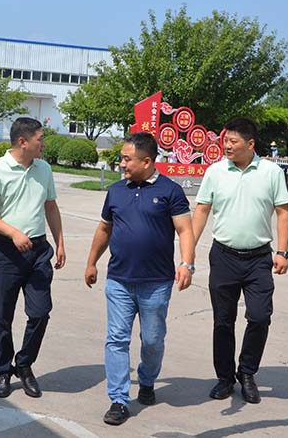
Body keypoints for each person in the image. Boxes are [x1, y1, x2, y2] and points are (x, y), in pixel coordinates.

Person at [84, 132, 195, 425]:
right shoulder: (116, 191)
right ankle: (118, 400)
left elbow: (185, 230)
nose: (121, 163)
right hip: (119, 280)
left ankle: (147, 379)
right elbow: (104, 229)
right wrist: (92, 262)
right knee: (117, 339)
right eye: (122, 158)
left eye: (127, 159)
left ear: (147, 161)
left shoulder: (170, 191)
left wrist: (187, 264)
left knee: (153, 340)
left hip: (156, 282)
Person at [192, 117, 288, 405]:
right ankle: (224, 378)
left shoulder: (271, 172)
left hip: (259, 259)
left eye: (233, 141)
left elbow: (283, 212)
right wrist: (188, 251)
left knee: (259, 317)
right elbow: (202, 210)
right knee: (223, 321)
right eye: (225, 140)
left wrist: (282, 252)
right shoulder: (215, 172)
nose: (227, 146)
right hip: (223, 256)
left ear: (250, 144)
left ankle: (247, 373)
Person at [0, 117, 66, 399]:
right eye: (40, 139)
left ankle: (24, 364)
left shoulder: (44, 169)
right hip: (6, 251)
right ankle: (4, 370)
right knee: (2, 315)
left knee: (40, 312)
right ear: (22, 142)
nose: (44, 144)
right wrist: (13, 233)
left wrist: (60, 242)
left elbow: (50, 206)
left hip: (38, 251)